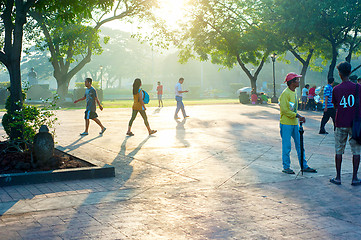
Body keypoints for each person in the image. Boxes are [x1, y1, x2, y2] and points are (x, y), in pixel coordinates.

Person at [279, 72, 317, 174]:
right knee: (287, 146)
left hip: (294, 124)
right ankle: (286, 167)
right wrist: (298, 116)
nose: (299, 81)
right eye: (297, 80)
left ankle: (304, 166)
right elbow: (285, 110)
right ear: (292, 82)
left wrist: (298, 116)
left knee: (300, 146)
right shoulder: (285, 94)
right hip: (286, 124)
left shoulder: (294, 93)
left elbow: (293, 110)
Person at [330, 62, 361, 186]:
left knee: (339, 150)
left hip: (340, 122)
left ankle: (338, 177)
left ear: (339, 74)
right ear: (350, 72)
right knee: (356, 151)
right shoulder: (358, 87)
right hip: (355, 124)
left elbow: (336, 105)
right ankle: (354, 178)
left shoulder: (336, 89)